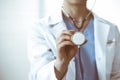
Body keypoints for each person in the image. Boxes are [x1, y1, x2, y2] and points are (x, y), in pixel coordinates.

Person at [28, 0, 120, 80]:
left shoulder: (111, 29)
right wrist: (61, 63)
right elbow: (38, 76)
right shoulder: (40, 29)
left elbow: (117, 76)